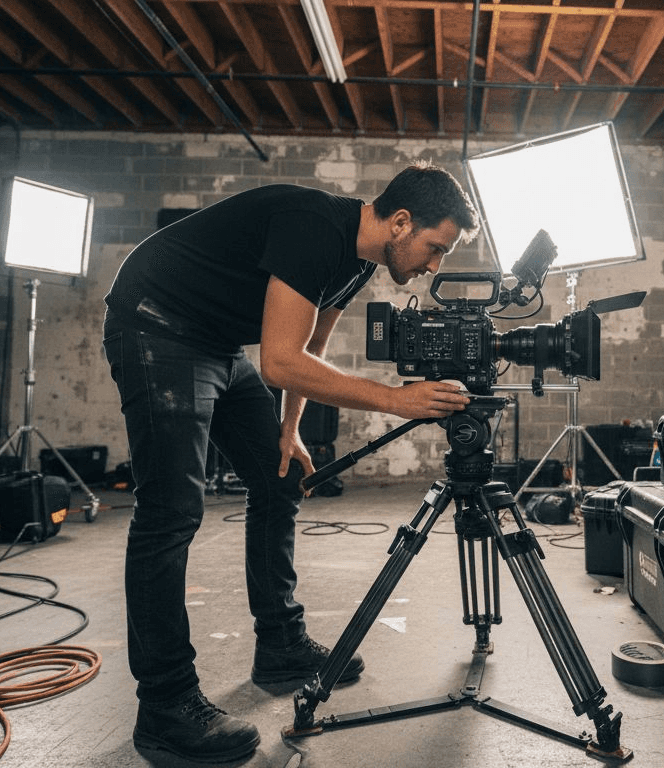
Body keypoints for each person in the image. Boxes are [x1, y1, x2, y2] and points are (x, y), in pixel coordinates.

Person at [102, 161, 479, 762]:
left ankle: (279, 643)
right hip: (156, 323)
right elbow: (279, 362)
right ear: (402, 222)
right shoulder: (313, 227)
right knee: (170, 511)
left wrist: (289, 429)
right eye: (436, 248)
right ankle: (165, 704)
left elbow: (309, 347)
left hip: (215, 342)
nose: (435, 265)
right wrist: (396, 401)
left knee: (283, 477)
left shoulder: (358, 259)